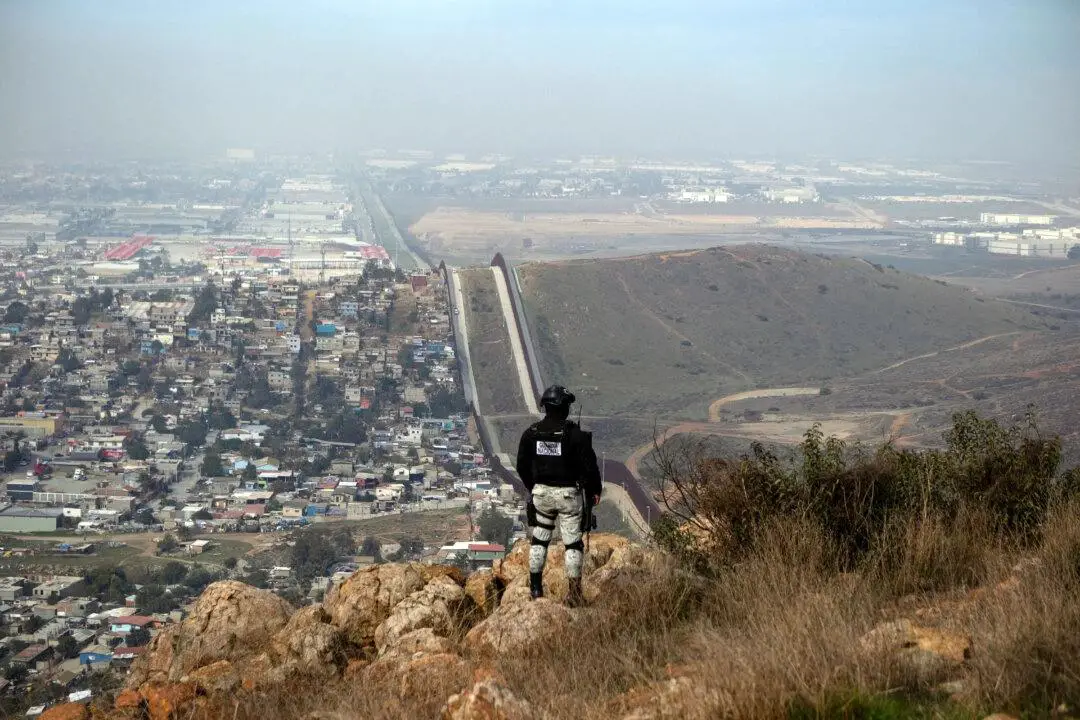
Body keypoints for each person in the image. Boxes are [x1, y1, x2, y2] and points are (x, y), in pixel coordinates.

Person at [516, 384, 602, 606]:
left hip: (541, 494)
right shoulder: (575, 435)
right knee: (573, 544)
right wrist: (594, 491)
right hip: (568, 496)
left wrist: (532, 486)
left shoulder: (531, 434)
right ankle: (574, 595)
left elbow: (521, 465)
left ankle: (536, 590)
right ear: (564, 407)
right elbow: (590, 468)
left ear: (545, 407)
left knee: (539, 539)